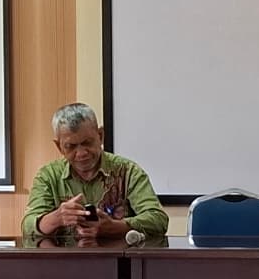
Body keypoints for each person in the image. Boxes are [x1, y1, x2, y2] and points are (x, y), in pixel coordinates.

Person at [21, 102, 169, 241]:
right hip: (65, 258)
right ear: (59, 147)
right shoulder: (48, 176)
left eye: (87, 143)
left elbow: (158, 219)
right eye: (70, 146)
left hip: (117, 257)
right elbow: (27, 226)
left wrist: (115, 227)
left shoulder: (128, 171)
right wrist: (56, 218)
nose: (81, 153)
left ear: (100, 136)